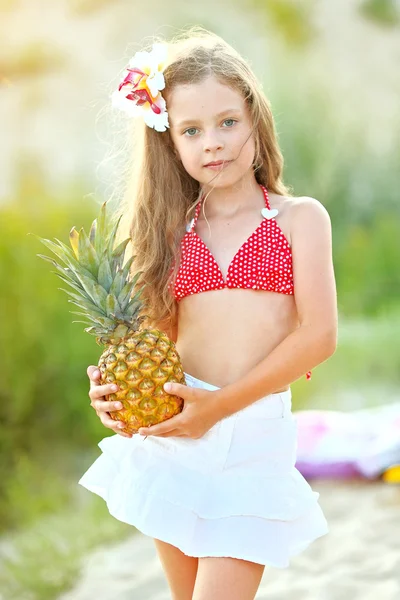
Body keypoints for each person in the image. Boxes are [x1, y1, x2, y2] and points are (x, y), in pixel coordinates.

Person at [80, 27, 338, 600]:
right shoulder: (169, 232)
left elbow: (319, 336)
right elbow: (155, 338)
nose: (212, 143)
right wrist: (112, 385)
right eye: (191, 131)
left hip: (251, 436)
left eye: (227, 122)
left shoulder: (299, 219)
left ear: (254, 120)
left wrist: (217, 407)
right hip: (174, 430)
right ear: (170, 142)